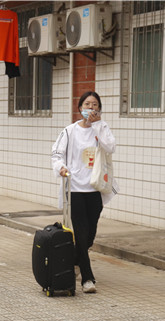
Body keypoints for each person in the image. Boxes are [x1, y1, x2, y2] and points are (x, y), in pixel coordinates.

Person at [51, 91, 116, 294]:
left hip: (95, 187)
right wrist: (60, 168)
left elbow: (110, 147)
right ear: (80, 108)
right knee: (80, 232)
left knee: (90, 233)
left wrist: (97, 125)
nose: (91, 108)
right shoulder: (69, 131)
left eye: (95, 105)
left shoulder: (102, 128)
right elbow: (57, 153)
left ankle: (76, 260)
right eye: (87, 104)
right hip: (76, 187)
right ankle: (87, 278)